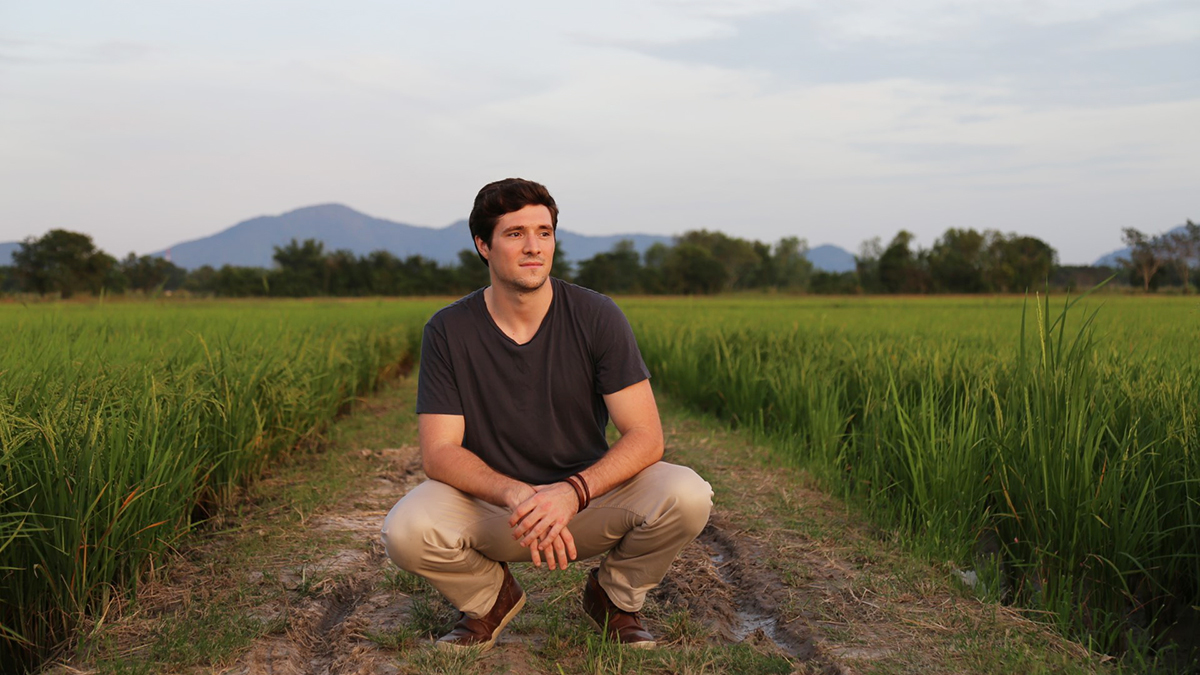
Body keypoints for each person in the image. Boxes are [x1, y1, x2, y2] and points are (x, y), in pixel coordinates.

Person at [380, 178, 713, 651]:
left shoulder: (597, 315)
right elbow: (439, 453)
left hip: (584, 503)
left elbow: (645, 436)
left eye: (544, 231)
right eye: (515, 233)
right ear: (483, 245)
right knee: (405, 530)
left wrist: (571, 493)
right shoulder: (448, 330)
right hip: (497, 508)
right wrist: (516, 494)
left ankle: (614, 598)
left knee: (688, 493)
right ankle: (489, 599)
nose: (534, 246)